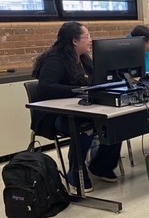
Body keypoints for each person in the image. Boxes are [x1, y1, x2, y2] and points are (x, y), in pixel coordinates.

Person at [32, 22, 122, 194]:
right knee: (84, 127)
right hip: (54, 115)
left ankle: (101, 166)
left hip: (84, 109)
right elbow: (46, 87)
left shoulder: (84, 59)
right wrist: (80, 91)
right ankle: (75, 174)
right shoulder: (55, 59)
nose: (90, 40)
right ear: (74, 40)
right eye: (87, 36)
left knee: (116, 120)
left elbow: (95, 81)